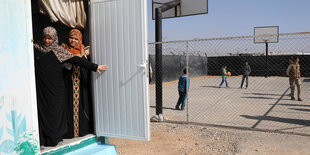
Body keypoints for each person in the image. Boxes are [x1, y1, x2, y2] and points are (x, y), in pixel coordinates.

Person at [33, 26, 108, 146]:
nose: (47, 41)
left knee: (55, 114)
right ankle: (43, 140)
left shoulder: (59, 51)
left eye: (50, 38)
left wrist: (95, 67)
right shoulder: (36, 48)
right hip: (41, 89)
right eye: (45, 38)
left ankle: (54, 139)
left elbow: (77, 60)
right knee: (42, 113)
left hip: (56, 89)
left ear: (54, 38)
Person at [61, 29, 95, 138]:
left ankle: (81, 131)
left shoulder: (83, 51)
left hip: (80, 85)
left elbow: (86, 67)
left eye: (76, 39)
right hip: (67, 86)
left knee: (82, 107)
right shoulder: (62, 49)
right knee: (68, 107)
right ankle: (69, 132)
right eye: (71, 38)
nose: (73, 41)